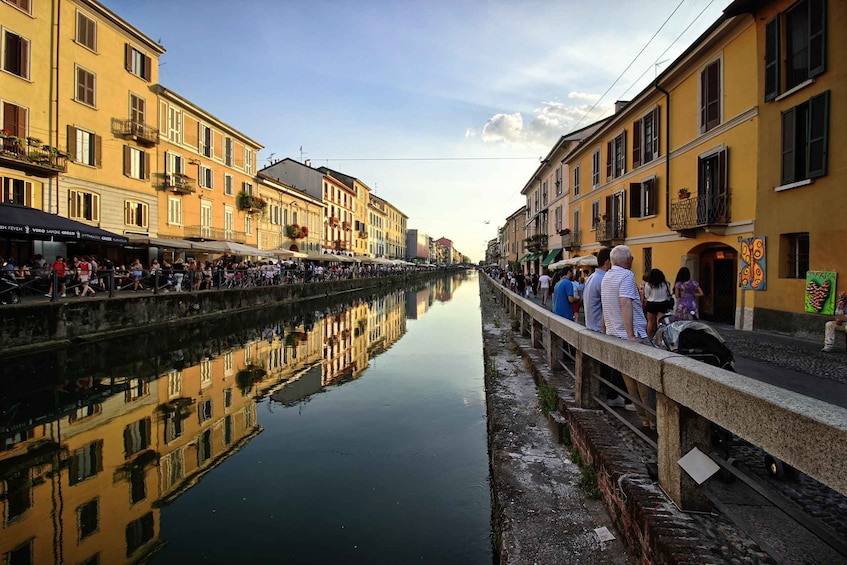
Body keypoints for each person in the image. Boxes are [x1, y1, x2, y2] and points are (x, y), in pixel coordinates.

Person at [600, 245, 654, 429]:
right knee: (647, 381)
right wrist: (631, 335)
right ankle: (654, 420)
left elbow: (606, 305)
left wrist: (604, 328)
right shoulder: (627, 276)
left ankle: (645, 418)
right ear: (628, 260)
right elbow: (625, 303)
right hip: (632, 335)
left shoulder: (607, 276)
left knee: (630, 382)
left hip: (614, 334)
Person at [643, 268, 673, 339]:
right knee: (660, 322)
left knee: (650, 322)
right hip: (662, 303)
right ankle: (659, 338)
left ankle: (649, 337)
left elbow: (647, 295)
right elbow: (669, 293)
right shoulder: (666, 284)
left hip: (651, 303)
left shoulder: (648, 284)